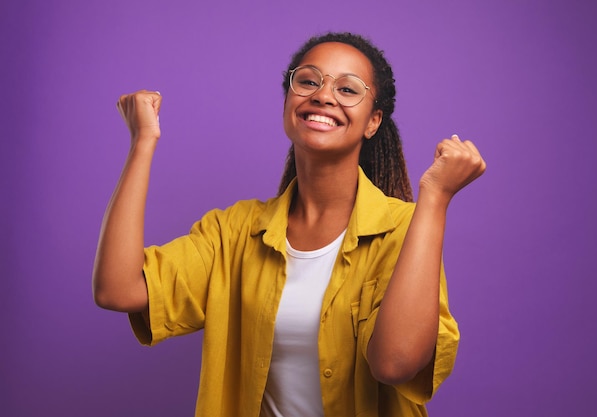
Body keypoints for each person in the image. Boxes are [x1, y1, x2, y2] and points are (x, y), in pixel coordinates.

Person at [93, 32, 486, 417]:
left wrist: (434, 199)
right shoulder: (233, 232)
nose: (324, 94)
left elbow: (395, 364)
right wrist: (143, 141)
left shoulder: (403, 229)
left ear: (373, 121)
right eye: (308, 81)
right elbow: (118, 289)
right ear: (288, 101)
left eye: (348, 89)